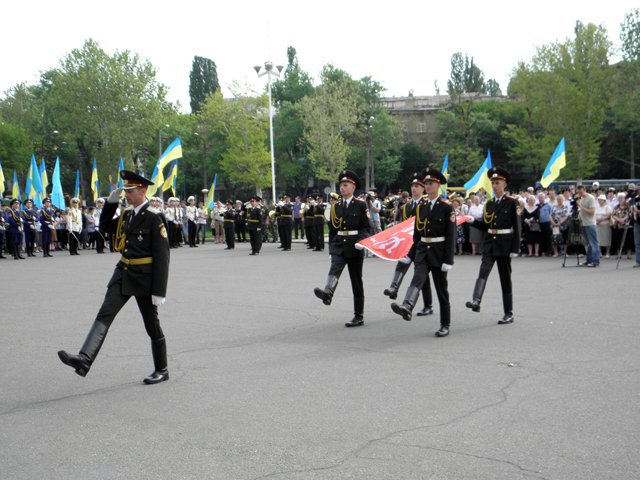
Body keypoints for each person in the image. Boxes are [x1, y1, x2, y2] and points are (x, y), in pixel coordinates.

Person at [58, 170, 171, 384]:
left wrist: (159, 291)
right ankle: (84, 358)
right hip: (123, 273)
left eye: (130, 190)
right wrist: (110, 203)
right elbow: (105, 227)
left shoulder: (154, 217)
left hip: (145, 279)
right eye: (125, 190)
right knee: (104, 314)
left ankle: (162, 369)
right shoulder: (128, 215)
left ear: (142, 190)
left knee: (151, 325)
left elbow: (163, 257)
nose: (126, 195)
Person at [390, 168, 456, 337]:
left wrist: (448, 260)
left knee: (441, 290)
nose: (427, 186)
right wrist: (410, 255)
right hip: (422, 252)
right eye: (425, 183)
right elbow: (417, 236)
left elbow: (451, 237)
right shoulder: (421, 207)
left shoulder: (446, 208)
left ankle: (445, 324)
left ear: (438, 185)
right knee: (417, 279)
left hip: (439, 253)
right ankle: (407, 306)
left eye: (430, 183)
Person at [314, 170, 370, 327]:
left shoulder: (360, 205)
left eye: (345, 185)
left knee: (356, 281)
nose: (342, 188)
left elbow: (366, 228)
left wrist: (361, 242)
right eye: (341, 185)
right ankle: (328, 292)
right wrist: (331, 249)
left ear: (353, 187)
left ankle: (358, 315)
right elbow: (332, 230)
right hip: (339, 244)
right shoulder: (335, 206)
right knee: (334, 268)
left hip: (354, 246)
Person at [465, 167, 521, 325]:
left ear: (504, 184)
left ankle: (508, 312)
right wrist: (472, 221)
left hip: (504, 244)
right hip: (490, 243)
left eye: (497, 182)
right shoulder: (489, 204)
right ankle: (476, 300)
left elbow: (517, 226)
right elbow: (485, 224)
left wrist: (515, 249)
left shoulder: (512, 202)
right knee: (483, 272)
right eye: (493, 183)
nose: (494, 185)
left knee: (505, 279)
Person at [383, 171, 434, 317]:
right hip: (409, 243)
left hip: (422, 244)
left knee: (421, 274)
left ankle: (428, 305)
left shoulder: (426, 204)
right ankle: (394, 288)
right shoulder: (407, 206)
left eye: (418, 186)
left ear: (423, 188)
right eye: (412, 186)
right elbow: (403, 226)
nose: (414, 188)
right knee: (402, 263)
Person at [575, 183, 600, 267]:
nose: (580, 194)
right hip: (584, 223)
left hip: (590, 224)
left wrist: (580, 206)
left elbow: (592, 212)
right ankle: (589, 260)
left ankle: (596, 261)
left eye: (581, 192)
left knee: (594, 243)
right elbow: (581, 211)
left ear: (584, 190)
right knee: (588, 244)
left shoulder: (590, 198)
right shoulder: (581, 198)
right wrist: (579, 217)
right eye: (578, 192)